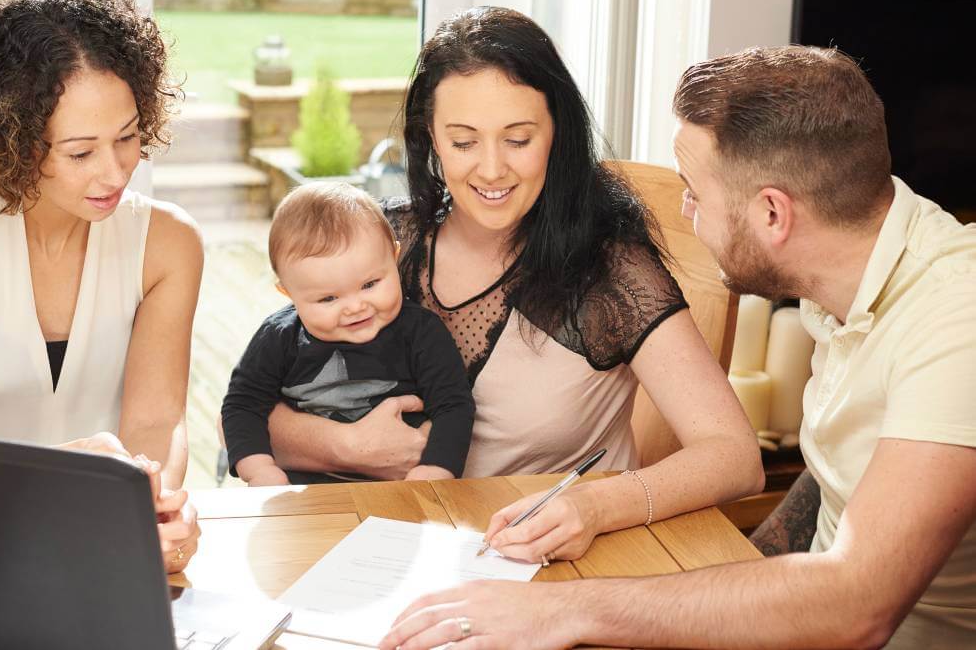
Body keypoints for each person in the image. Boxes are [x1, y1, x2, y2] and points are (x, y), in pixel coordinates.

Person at [380, 45, 976, 650]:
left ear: (773, 213)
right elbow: (835, 474)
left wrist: (562, 609)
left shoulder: (957, 320)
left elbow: (856, 609)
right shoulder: (848, 267)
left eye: (692, 191)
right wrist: (735, 566)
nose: (684, 214)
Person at [266, 6, 762, 560]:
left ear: (557, 133)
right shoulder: (384, 246)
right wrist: (349, 446)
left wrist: (596, 506)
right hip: (389, 555)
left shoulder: (607, 271)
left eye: (518, 140)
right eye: (463, 142)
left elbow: (735, 456)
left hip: (540, 568)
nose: (492, 169)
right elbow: (255, 406)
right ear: (429, 135)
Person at [0, 0, 203, 573]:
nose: (115, 171)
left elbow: (156, 421)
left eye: (128, 137)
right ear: (11, 142)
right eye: (81, 153)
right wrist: (63, 479)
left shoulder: (168, 244)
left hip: (99, 547)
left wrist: (155, 513)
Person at [221, 182, 475, 486]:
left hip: (399, 489)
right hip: (303, 492)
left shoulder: (421, 333)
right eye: (328, 299)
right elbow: (241, 405)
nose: (355, 307)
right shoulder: (279, 337)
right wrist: (259, 468)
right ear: (288, 293)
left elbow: (454, 406)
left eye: (370, 285)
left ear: (393, 257)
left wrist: (435, 469)